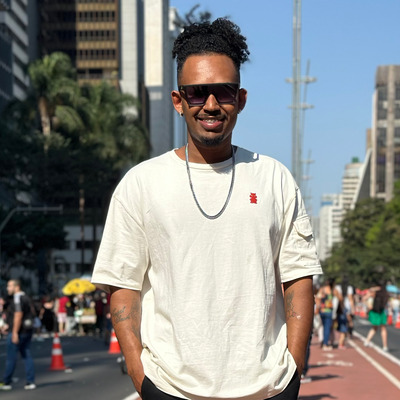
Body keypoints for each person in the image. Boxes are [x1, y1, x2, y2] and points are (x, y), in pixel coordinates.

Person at [92, 18, 322, 400]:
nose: (211, 105)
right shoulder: (141, 184)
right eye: (197, 93)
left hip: (266, 389)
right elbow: (123, 286)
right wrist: (141, 376)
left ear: (241, 99)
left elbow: (298, 278)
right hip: (170, 389)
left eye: (223, 92)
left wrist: (293, 374)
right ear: (178, 101)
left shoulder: (274, 179)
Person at [0, 279, 36, 390]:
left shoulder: (17, 298)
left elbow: (18, 315)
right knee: (26, 355)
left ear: (17, 286)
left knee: (11, 357)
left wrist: (14, 332)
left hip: (18, 331)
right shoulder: (26, 297)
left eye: (9, 286)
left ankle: (6, 381)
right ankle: (30, 381)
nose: (8, 288)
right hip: (27, 330)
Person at [364, 283, 389, 351]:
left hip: (376, 312)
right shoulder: (385, 293)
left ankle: (367, 341)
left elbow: (364, 298)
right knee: (382, 328)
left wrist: (368, 304)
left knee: (376, 328)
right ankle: (385, 346)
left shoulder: (375, 293)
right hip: (380, 312)